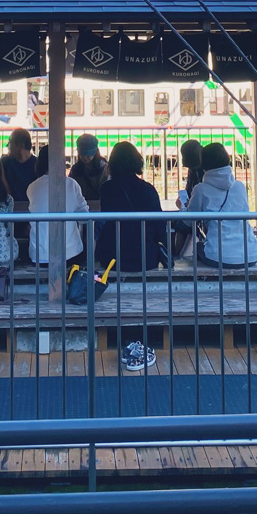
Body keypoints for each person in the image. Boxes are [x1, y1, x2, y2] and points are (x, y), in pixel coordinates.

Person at [95, 142, 166, 373]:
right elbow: (160, 227)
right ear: (137, 161)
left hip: (112, 257)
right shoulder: (148, 190)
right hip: (144, 258)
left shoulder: (106, 190)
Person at [188, 142, 257, 268]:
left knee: (198, 247)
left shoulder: (201, 189)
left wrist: (182, 208)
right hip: (251, 254)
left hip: (219, 256)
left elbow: (189, 220)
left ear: (204, 164)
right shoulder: (240, 187)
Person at [26, 145, 88, 265]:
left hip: (39, 256)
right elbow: (84, 217)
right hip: (70, 254)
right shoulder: (71, 184)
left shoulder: (33, 187)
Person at [173, 139, 204, 256]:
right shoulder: (195, 169)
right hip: (196, 207)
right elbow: (189, 190)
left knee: (182, 224)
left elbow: (193, 192)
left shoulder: (199, 172)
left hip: (199, 210)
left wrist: (184, 205)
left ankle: (177, 255)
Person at [69, 134, 109, 202]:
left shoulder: (104, 168)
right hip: (81, 205)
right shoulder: (75, 169)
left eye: (88, 155)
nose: (84, 158)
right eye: (82, 155)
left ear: (95, 153)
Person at [1, 128, 38, 202]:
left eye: (10, 142)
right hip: (10, 207)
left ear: (21, 145)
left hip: (32, 207)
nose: (7, 145)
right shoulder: (4, 162)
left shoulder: (37, 165)